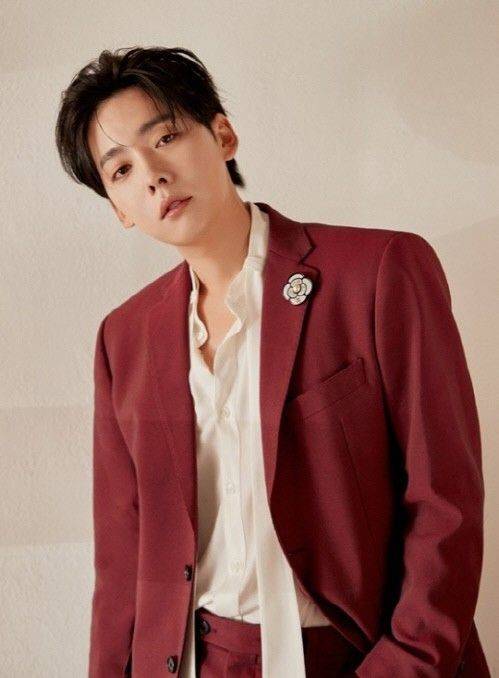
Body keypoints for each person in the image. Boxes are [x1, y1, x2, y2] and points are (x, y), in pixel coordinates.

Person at [55, 46, 490, 677]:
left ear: (223, 135)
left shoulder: (378, 274)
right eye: (120, 170)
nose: (152, 176)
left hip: (358, 656)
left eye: (166, 137)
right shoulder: (124, 339)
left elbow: (445, 500)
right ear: (119, 208)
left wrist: (405, 664)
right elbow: (123, 557)